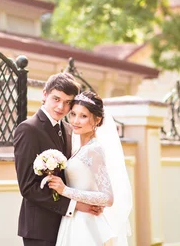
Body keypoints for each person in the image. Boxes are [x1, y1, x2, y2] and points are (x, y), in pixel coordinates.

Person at [14, 73, 103, 246]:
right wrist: (75, 205)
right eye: (56, 99)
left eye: (68, 102)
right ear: (45, 94)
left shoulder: (69, 129)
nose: (61, 107)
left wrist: (88, 200)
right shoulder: (28, 129)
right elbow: (28, 187)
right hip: (40, 226)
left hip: (68, 225)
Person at [47, 91, 132, 246]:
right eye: (73, 114)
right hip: (74, 219)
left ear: (97, 120)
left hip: (85, 223)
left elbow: (108, 198)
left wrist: (65, 190)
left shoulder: (94, 150)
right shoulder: (79, 148)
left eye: (83, 116)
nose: (75, 121)